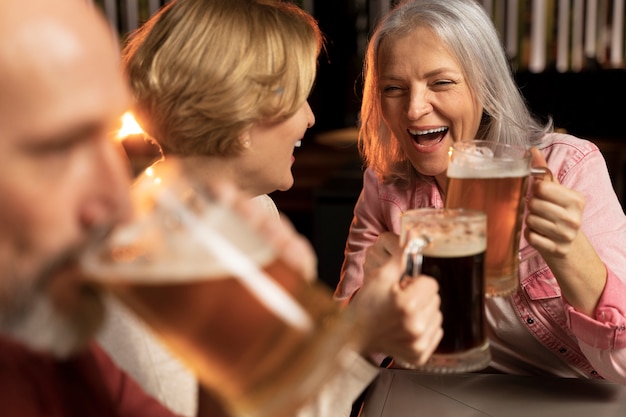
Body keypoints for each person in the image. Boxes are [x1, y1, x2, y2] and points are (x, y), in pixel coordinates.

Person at [0, 0, 439, 416]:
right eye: (59, 149)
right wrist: (357, 342)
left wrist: (353, 339)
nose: (118, 199)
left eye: (106, 138)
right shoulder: (127, 285)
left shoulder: (252, 217)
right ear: (244, 115)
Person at [335, 0, 626, 384]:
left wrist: (570, 253)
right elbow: (339, 359)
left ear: (484, 86)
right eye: (394, 88)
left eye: (441, 82)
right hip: (441, 395)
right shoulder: (384, 185)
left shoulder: (567, 167)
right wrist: (372, 302)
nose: (414, 109)